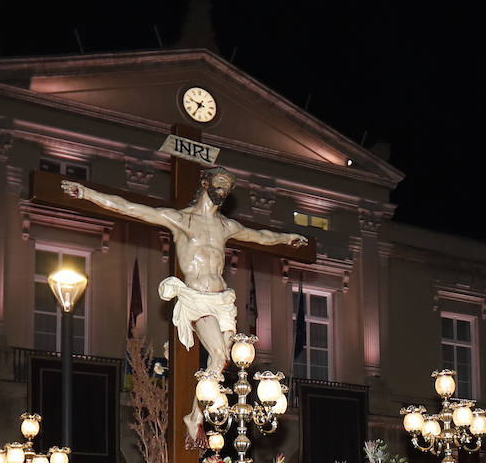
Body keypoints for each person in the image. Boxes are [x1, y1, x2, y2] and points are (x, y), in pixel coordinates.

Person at [63, 167, 308, 443]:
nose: (224, 188)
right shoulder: (181, 220)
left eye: (228, 186)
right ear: (205, 183)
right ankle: (195, 417)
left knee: (224, 359)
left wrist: (286, 238)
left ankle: (197, 413)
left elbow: (260, 236)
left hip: (222, 300)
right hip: (196, 299)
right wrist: (86, 193)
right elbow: (130, 208)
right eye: (220, 182)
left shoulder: (226, 227)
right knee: (219, 355)